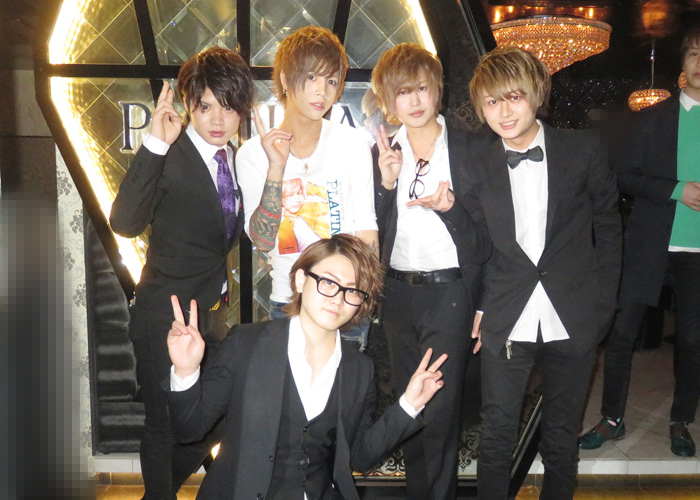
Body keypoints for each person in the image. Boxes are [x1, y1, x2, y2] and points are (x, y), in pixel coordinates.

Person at [165, 234, 448, 499]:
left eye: (352, 290)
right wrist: (186, 371)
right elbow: (190, 431)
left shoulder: (359, 369)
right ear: (301, 280)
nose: (338, 298)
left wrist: (409, 405)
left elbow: (359, 457)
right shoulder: (247, 344)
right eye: (328, 282)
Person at [459, 47, 621, 500]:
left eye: (513, 97)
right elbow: (479, 248)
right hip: (506, 315)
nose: (504, 111)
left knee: (560, 442)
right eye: (492, 101)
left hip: (574, 315)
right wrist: (480, 305)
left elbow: (610, 227)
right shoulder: (476, 165)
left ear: (536, 94)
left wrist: (603, 306)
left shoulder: (582, 149)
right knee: (495, 438)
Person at [110, 46, 253, 499]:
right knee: (164, 425)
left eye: (229, 107)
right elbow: (124, 223)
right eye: (206, 106)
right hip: (163, 316)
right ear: (189, 103)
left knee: (223, 412)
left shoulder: (235, 159)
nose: (218, 119)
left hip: (210, 316)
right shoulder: (169, 152)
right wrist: (155, 144)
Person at [370, 43, 491, 500]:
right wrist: (385, 184)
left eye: (422, 88)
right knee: (409, 406)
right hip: (398, 294)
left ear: (437, 91)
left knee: (440, 412)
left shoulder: (468, 149)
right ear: (389, 100)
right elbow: (371, 234)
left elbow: (486, 243)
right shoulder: (383, 152)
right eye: (403, 92)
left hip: (450, 294)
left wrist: (450, 208)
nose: (415, 100)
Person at [579, 22, 700, 458]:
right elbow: (625, 176)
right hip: (650, 242)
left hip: (697, 251)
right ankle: (612, 418)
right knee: (621, 334)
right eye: (693, 54)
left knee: (692, 342)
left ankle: (680, 420)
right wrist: (677, 190)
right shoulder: (654, 118)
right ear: (682, 62)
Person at [236, 26, 378, 349]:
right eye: (312, 77)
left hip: (345, 305)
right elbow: (262, 240)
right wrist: (275, 169)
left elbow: (366, 229)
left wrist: (361, 300)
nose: (322, 92)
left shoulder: (353, 143)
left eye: (331, 81)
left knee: (347, 384)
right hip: (288, 303)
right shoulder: (252, 154)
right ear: (286, 79)